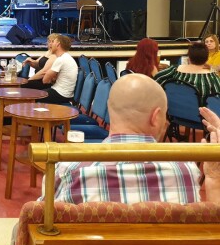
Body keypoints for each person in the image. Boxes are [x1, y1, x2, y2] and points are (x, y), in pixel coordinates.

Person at [50, 74, 220, 204]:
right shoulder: (186, 172)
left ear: (109, 109)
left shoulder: (70, 169)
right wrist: (214, 178)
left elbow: (41, 221)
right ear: (155, 117)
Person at [155, 41, 220, 99]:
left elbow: (156, 79)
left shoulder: (174, 70)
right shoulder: (213, 79)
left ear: (189, 58)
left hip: (173, 107)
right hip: (199, 109)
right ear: (206, 59)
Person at [37, 34, 77, 104]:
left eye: (53, 42)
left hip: (61, 94)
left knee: (34, 96)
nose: (50, 44)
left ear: (58, 44)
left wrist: (50, 76)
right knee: (36, 92)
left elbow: (45, 80)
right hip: (63, 93)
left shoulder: (61, 59)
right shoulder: (66, 57)